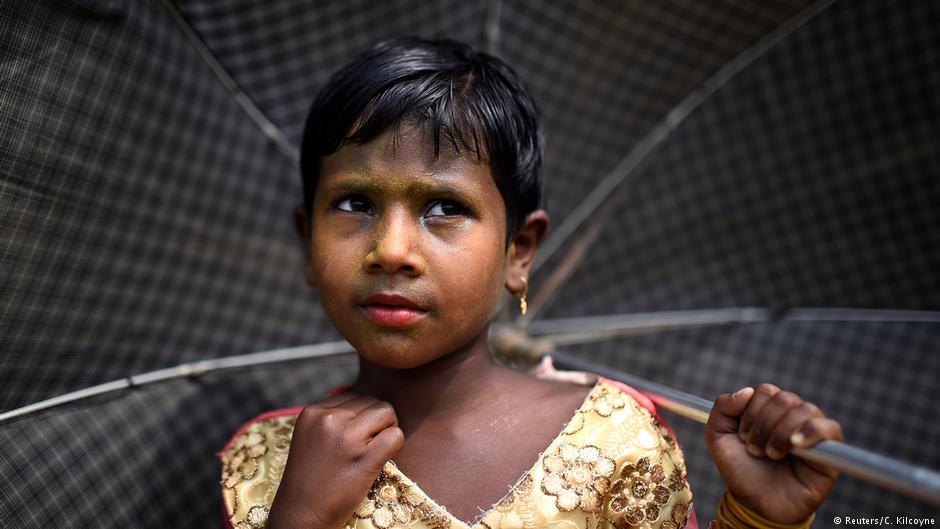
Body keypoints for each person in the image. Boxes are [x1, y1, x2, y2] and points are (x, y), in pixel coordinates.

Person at [219, 37, 843, 529]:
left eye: (444, 208)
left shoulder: (612, 439)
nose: (393, 250)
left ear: (519, 251)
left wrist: (761, 518)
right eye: (355, 203)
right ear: (308, 239)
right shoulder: (267, 462)